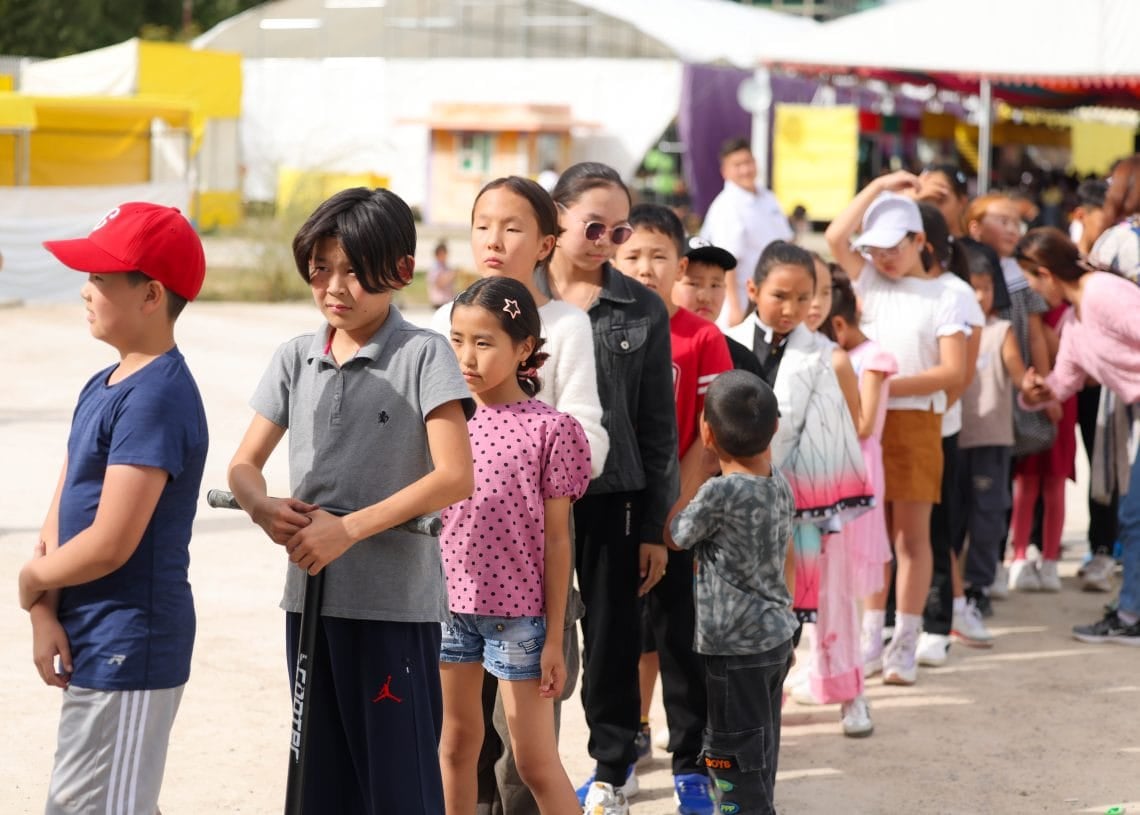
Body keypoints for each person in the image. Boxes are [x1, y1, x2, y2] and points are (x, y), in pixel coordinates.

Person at [226, 187, 476, 813]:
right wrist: (261, 508)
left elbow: (454, 476)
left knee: (399, 787)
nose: (335, 286)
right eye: (321, 269)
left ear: (398, 270)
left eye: (354, 271)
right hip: (307, 598)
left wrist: (348, 529)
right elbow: (242, 465)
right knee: (320, 781)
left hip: (393, 606)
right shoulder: (295, 357)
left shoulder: (424, 354)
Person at [17, 203, 209, 814]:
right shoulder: (106, 382)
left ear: (151, 295)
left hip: (132, 641)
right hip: (93, 635)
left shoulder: (157, 396)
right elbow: (65, 501)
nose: (85, 290)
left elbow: (110, 541)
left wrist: (29, 580)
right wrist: (45, 611)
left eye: (101, 278)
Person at [430, 175, 608, 815]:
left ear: (525, 348)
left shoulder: (552, 429)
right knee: (454, 746)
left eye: (484, 344)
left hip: (523, 619)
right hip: (449, 608)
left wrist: (557, 637)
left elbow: (558, 541)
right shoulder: (442, 418)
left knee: (532, 761)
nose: (468, 358)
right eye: (458, 342)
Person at [544, 162, 679, 815]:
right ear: (557, 217)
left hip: (614, 494)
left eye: (616, 228)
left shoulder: (643, 307)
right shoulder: (515, 297)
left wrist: (655, 524)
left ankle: (612, 765)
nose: (604, 239)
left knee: (611, 637)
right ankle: (518, 767)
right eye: (592, 225)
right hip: (524, 499)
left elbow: (658, 425)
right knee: (520, 633)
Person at [612, 203, 733, 813]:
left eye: (659, 256)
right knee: (618, 642)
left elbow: (709, 439)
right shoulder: (595, 327)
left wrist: (671, 514)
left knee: (682, 645)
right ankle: (618, 759)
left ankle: (691, 764)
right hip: (612, 517)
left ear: (678, 265)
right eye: (631, 255)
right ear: (612, 259)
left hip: (679, 521)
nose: (644, 268)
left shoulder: (701, 337)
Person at [723, 241, 873, 727]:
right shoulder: (724, 341)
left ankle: (850, 691)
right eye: (779, 296)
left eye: (803, 297)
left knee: (817, 598)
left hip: (803, 500)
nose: (791, 310)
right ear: (753, 289)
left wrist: (797, 502)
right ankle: (739, 706)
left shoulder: (824, 355)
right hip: (733, 498)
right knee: (733, 607)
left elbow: (833, 433)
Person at [826, 175, 968, 686]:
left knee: (911, 537)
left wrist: (882, 382)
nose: (884, 258)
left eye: (894, 247)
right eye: (876, 249)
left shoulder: (949, 292)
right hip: (864, 422)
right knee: (871, 535)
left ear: (919, 243)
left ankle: (905, 640)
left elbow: (954, 372)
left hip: (912, 422)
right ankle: (871, 637)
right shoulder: (868, 280)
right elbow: (835, 237)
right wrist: (881, 186)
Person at [669, 370, 797, 815]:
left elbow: (676, 535)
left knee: (733, 757)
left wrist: (698, 471)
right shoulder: (779, 482)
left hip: (733, 650)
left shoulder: (720, 493)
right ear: (775, 427)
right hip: (776, 637)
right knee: (762, 746)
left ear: (707, 432)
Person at [1017, 226, 1140, 645]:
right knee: (1133, 514)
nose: (1032, 290)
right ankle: (1130, 611)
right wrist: (1036, 392)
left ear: (1046, 272)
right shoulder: (1074, 319)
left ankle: (1131, 615)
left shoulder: (1102, 293)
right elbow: (1063, 382)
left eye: (1030, 279)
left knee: (1133, 515)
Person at [915, 202, 989, 662]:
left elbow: (959, 375)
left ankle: (937, 621)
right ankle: (893, 622)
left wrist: (930, 411)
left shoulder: (954, 292)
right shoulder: (884, 286)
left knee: (938, 530)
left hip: (936, 426)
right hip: (892, 428)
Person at [821, 272, 897, 628]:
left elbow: (864, 423)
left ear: (838, 323)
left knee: (861, 551)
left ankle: (869, 633)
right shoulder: (846, 355)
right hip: (837, 463)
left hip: (861, 463)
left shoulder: (873, 357)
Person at [957, 264, 1028, 605]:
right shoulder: (950, 330)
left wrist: (1032, 386)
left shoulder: (1001, 331)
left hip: (991, 437)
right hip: (953, 435)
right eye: (972, 287)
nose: (978, 296)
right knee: (954, 515)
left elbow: (1018, 373)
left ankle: (979, 583)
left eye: (985, 288)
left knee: (987, 513)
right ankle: (952, 584)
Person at [699, 137, 793, 329]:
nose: (745, 169)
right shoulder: (726, 205)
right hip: (740, 297)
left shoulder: (768, 197)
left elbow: (787, 240)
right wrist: (734, 307)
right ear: (725, 171)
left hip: (773, 293)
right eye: (737, 165)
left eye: (748, 162)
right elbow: (726, 261)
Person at [675, 237, 764, 378]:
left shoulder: (743, 361)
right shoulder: (653, 348)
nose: (705, 297)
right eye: (694, 284)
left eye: (715, 285)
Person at [428, 240, 458, 307]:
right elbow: (439, 284)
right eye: (443, 253)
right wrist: (451, 276)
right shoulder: (435, 268)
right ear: (438, 254)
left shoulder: (446, 267)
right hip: (439, 302)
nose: (445, 256)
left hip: (448, 301)